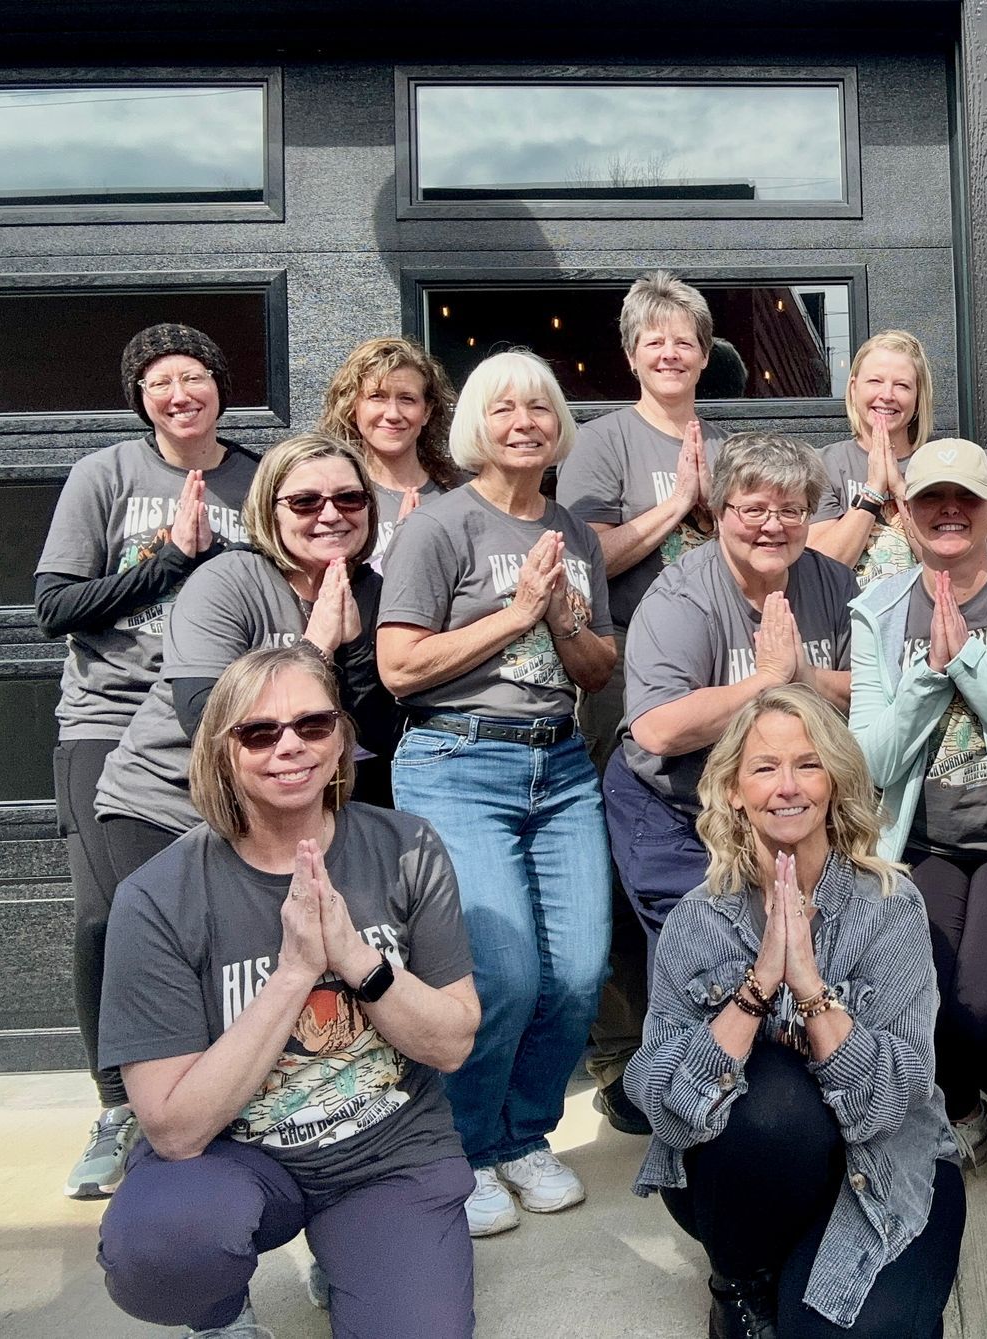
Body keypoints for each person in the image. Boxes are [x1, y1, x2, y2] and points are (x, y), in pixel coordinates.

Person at [94, 644, 480, 1339]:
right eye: (259, 731)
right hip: (233, 1156)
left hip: (385, 1154)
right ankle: (219, 1305)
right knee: (159, 1250)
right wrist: (297, 971)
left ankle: (353, 1255)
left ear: (341, 740)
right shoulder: (157, 897)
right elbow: (175, 1127)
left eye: (313, 724)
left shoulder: (408, 848)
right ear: (223, 751)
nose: (290, 746)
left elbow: (452, 1042)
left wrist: (358, 959)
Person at [629, 686, 964, 1339]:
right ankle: (741, 1282)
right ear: (732, 789)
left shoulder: (890, 906)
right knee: (772, 1100)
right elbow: (658, 1098)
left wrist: (809, 987)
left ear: (834, 781)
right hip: (747, 1176)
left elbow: (894, 1100)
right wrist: (756, 988)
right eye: (764, 767)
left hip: (888, 1165)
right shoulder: (697, 919)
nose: (788, 786)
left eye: (807, 764)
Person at [377, 349, 617, 1238]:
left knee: (580, 970)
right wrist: (514, 616)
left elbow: (596, 666)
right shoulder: (439, 527)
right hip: (457, 761)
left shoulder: (576, 533)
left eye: (542, 407)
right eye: (506, 407)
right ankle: (466, 1147)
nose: (526, 420)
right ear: (478, 424)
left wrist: (559, 620)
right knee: (505, 974)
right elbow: (399, 668)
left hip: (558, 765)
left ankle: (525, 1134)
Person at [35, 323, 261, 1201]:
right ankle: (117, 1102)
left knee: (223, 917)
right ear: (141, 396)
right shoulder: (106, 476)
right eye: (161, 381)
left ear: (219, 386)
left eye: (195, 375)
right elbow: (56, 604)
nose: (180, 393)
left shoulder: (255, 476)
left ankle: (223, 1085)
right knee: (109, 915)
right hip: (108, 715)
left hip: (215, 721)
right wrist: (169, 558)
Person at [849, 436, 987, 1205]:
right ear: (908, 514)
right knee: (926, 990)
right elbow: (866, 761)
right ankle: (958, 1104)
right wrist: (926, 675)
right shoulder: (879, 609)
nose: (948, 512)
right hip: (923, 838)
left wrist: (972, 665)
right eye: (929, 500)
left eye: (965, 499)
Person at [554, 270, 720, 1136]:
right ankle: (626, 1052)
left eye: (684, 338)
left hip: (713, 696)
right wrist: (680, 507)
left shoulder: (720, 442)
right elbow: (587, 562)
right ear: (630, 353)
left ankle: (694, 1043)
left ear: (702, 352)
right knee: (629, 877)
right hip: (621, 688)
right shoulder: (604, 443)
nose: (669, 350)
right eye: (653, 338)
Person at [607, 432, 856, 954]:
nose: (773, 526)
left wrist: (804, 679)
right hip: (679, 807)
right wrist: (765, 681)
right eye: (755, 509)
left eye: (792, 511)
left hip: (788, 807)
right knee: (705, 960)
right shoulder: (682, 595)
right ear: (719, 512)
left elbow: (876, 693)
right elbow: (658, 728)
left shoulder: (833, 583)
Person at [93, 433, 390, 868]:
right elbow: (203, 720)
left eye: (349, 499)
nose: (331, 515)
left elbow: (381, 732)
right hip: (170, 803)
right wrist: (318, 646)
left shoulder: (372, 592)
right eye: (305, 502)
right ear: (271, 511)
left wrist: (357, 650)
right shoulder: (228, 581)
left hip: (287, 814)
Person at [319, 336, 463, 572]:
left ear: (426, 412)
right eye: (377, 396)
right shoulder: (332, 498)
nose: (393, 414)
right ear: (352, 407)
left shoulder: (458, 493)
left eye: (407, 399)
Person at [809, 329, 936, 586]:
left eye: (901, 385)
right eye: (875, 381)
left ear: (917, 398)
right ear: (854, 389)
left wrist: (900, 489)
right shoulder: (822, 465)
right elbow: (820, 567)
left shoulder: (937, 465)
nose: (887, 395)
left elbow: (945, 565)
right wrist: (874, 490)